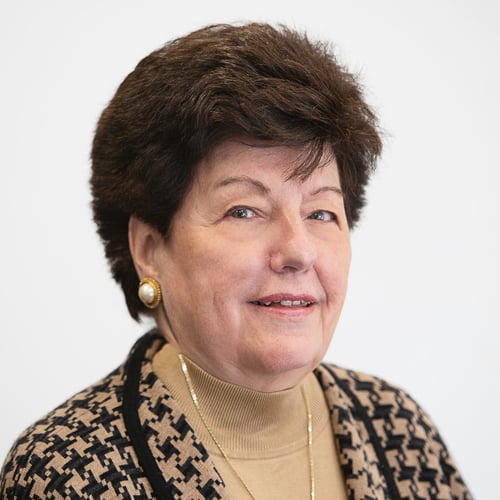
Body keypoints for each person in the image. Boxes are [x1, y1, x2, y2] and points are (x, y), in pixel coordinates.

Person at [0, 23, 471, 499]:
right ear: (149, 249)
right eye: (244, 211)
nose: (299, 252)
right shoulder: (67, 472)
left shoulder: (400, 432)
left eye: (321, 213)